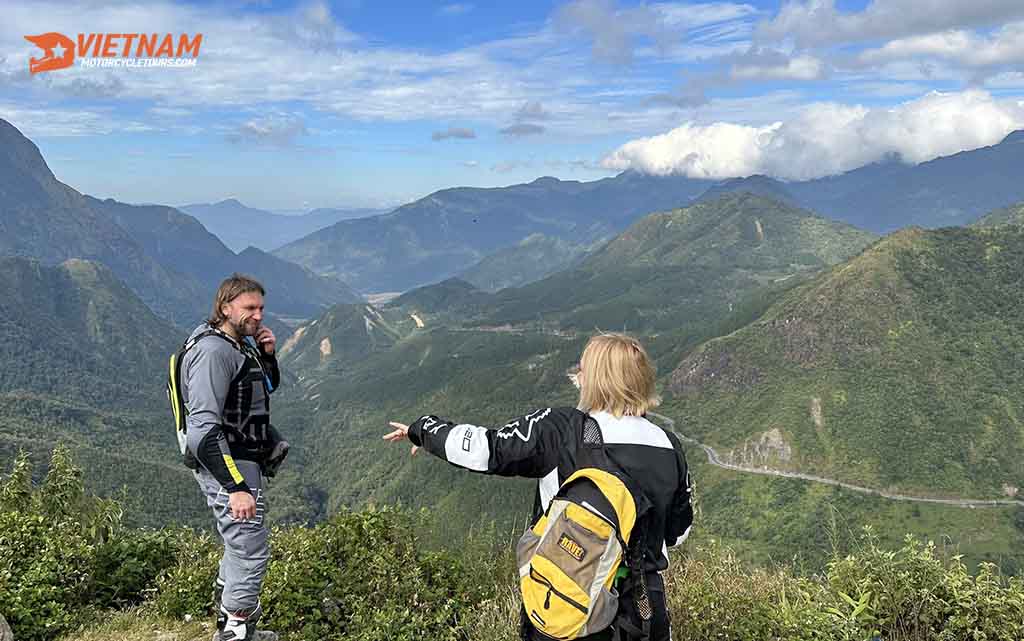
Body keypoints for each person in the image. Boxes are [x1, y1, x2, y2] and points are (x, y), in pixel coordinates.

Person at [384, 332, 693, 641]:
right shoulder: (669, 446)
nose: (578, 375)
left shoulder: (563, 430)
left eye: (583, 368)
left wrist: (423, 430)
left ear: (598, 378)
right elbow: (678, 533)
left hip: (566, 607)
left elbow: (486, 450)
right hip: (643, 615)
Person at [181, 274, 286, 641]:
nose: (258, 316)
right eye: (249, 308)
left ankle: (231, 628)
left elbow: (263, 387)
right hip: (230, 464)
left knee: (238, 544)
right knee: (250, 548)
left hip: (242, 459)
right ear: (225, 307)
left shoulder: (237, 343)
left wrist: (269, 356)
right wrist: (235, 487)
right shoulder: (214, 352)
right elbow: (202, 431)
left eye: (261, 307)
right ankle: (236, 634)